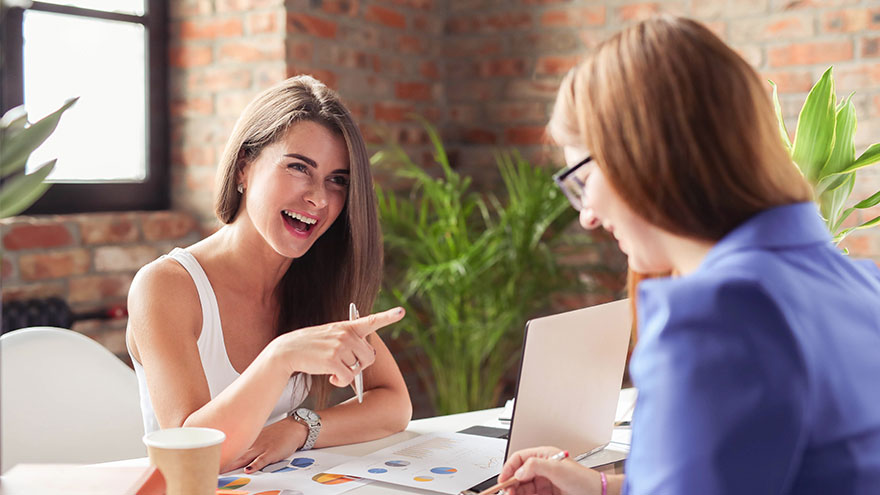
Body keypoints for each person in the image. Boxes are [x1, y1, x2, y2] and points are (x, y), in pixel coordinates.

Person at [498, 15, 880, 495]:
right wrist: (600, 487)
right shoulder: (860, 283)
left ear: (640, 152)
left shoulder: (718, 312)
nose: (587, 217)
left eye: (582, 179)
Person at [126, 75, 412, 473]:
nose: (318, 198)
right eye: (299, 167)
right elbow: (189, 454)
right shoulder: (166, 286)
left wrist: (298, 427)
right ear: (244, 166)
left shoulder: (315, 282)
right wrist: (282, 355)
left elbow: (394, 404)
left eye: (337, 181)